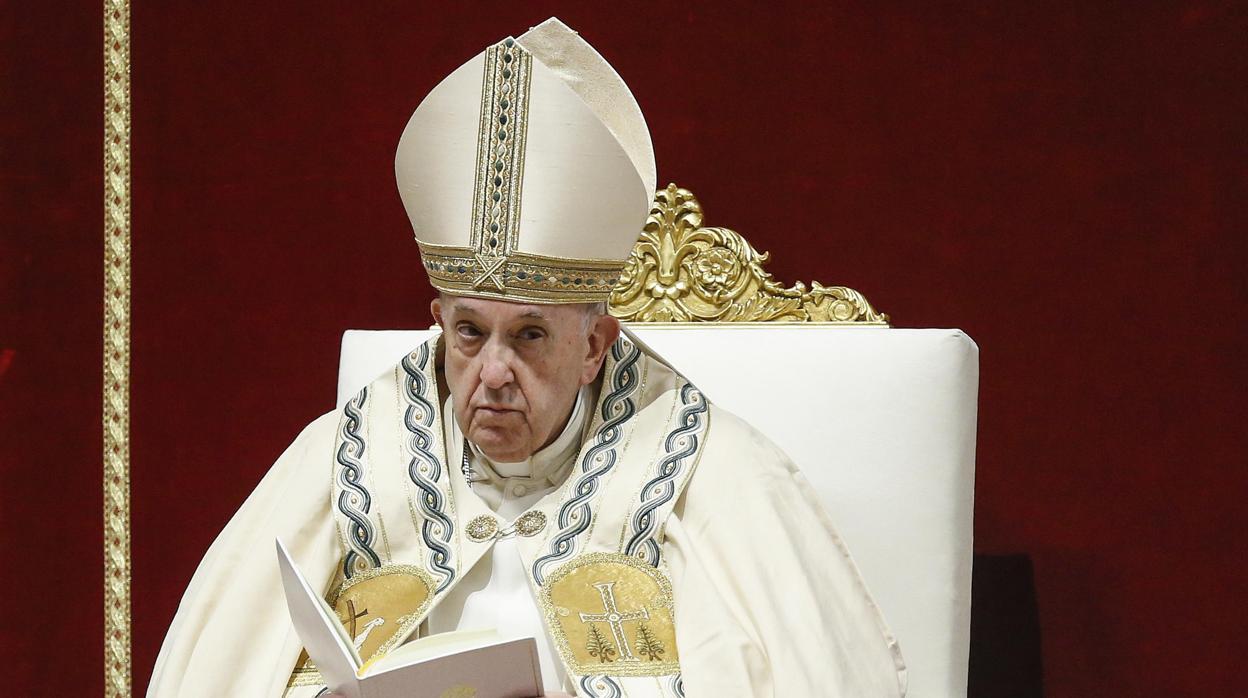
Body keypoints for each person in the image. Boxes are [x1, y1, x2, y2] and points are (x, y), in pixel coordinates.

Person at [148, 18, 906, 698]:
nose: (493, 372)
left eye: (531, 336)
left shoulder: (707, 470)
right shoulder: (351, 458)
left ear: (594, 347)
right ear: (439, 324)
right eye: (470, 334)